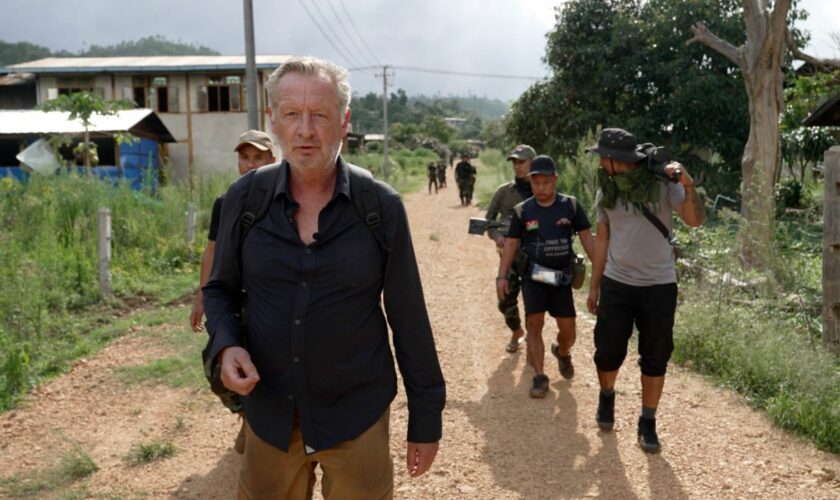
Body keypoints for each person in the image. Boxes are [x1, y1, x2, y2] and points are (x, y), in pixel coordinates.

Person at [203, 56, 445, 498]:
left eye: (320, 115)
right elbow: (219, 288)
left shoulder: (380, 207)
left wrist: (426, 419)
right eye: (292, 114)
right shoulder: (244, 199)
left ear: (344, 122)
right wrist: (227, 343)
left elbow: (408, 316)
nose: (306, 130)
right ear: (274, 120)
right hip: (269, 413)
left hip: (356, 413)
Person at [585, 128, 704, 453]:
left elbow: (694, 221)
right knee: (608, 351)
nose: (600, 162)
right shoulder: (607, 190)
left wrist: (687, 182)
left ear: (614, 160)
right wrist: (595, 287)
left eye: (602, 157)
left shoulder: (663, 185)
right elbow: (603, 239)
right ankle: (607, 396)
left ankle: (647, 421)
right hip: (617, 282)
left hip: (659, 286)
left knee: (656, 357)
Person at [189, 129, 277, 454]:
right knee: (218, 364)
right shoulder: (225, 203)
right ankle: (244, 415)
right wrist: (202, 293)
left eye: (258, 158)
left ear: (272, 160)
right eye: (245, 158)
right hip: (232, 296)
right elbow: (211, 251)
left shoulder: (285, 197)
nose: (250, 165)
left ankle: (261, 425)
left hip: (269, 298)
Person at [496, 155, 595, 398]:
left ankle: (562, 352)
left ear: (555, 180)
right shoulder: (523, 210)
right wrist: (502, 277)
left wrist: (602, 274)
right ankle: (540, 376)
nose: (541, 188)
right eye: (536, 183)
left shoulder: (570, 206)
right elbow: (511, 244)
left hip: (561, 279)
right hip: (534, 277)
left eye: (546, 183)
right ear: (530, 181)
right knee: (534, 324)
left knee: (568, 332)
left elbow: (588, 240)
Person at [484, 145, 536, 354]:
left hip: (535, 256)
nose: (517, 166)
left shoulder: (541, 189)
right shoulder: (504, 192)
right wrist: (497, 236)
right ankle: (517, 331)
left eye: (521, 161)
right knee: (505, 301)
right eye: (514, 162)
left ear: (532, 162)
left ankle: (533, 341)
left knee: (535, 303)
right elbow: (488, 220)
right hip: (510, 258)